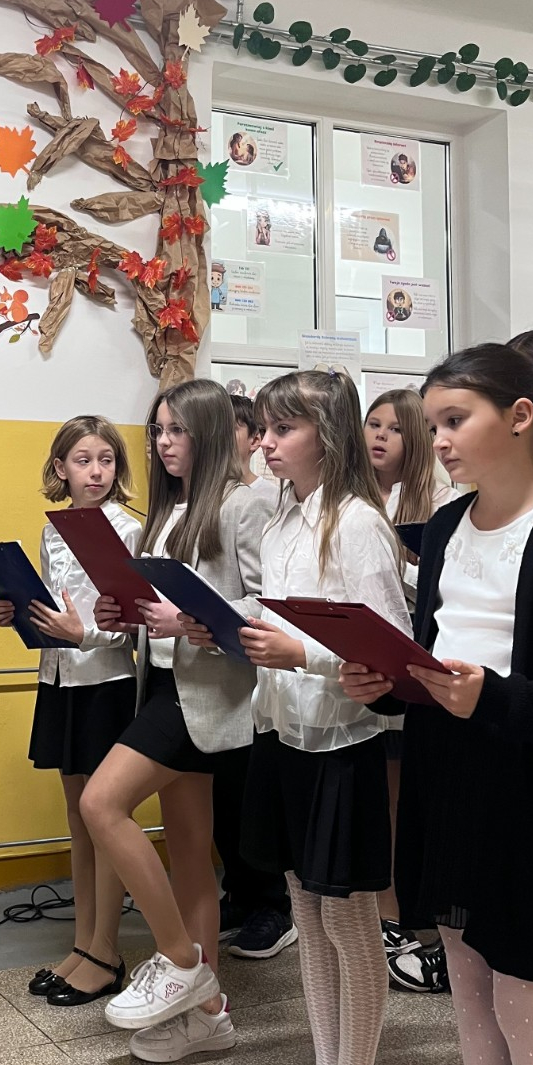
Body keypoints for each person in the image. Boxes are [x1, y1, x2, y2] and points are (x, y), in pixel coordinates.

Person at [343, 345, 533, 1065]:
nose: (440, 442)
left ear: (521, 416)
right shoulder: (451, 524)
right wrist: (386, 685)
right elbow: (435, 657)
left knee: (529, 1006)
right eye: (432, 427)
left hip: (529, 785)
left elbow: (502, 683)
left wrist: (491, 698)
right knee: (470, 992)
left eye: (455, 420)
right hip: (448, 773)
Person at [233, 368, 409, 1065]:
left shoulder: (358, 524)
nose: (266, 443)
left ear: (326, 436)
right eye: (265, 429)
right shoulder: (282, 521)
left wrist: (299, 653)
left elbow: (386, 650)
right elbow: (279, 618)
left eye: (283, 429)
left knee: (347, 921)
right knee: (306, 914)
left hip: (341, 742)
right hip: (286, 734)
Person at [82, 380, 275, 1062]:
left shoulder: (244, 503)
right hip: (163, 683)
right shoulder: (166, 512)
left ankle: (181, 961)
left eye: (177, 430)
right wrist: (121, 615)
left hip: (205, 694)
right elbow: (152, 611)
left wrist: (190, 619)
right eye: (158, 430)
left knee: (100, 803)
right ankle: (208, 1015)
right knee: (191, 853)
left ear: (209, 432)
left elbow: (264, 605)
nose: (164, 442)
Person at [0, 416, 140, 1007]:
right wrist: (18, 614)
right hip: (59, 679)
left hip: (107, 683)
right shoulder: (52, 530)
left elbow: (130, 624)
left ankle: (107, 951)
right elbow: (52, 610)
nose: (96, 471)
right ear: (61, 468)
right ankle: (83, 944)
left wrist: (84, 635)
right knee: (78, 822)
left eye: (106, 459)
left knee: (104, 821)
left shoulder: (128, 528)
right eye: (83, 460)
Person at [364, 387, 460, 993]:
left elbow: (437, 592)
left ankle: (409, 919)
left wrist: (398, 562)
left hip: (420, 667)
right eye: (372, 425)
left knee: (404, 802)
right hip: (371, 671)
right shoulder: (356, 499)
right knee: (380, 799)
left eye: (395, 428)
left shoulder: (439, 502)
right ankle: (387, 916)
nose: (379, 437)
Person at [213, 391, 295, 959]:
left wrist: (209, 614)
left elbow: (265, 594)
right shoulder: (205, 498)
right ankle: (241, 893)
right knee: (223, 798)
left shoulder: (260, 500)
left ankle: (271, 904)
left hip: (253, 667)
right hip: (215, 661)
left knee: (246, 795)